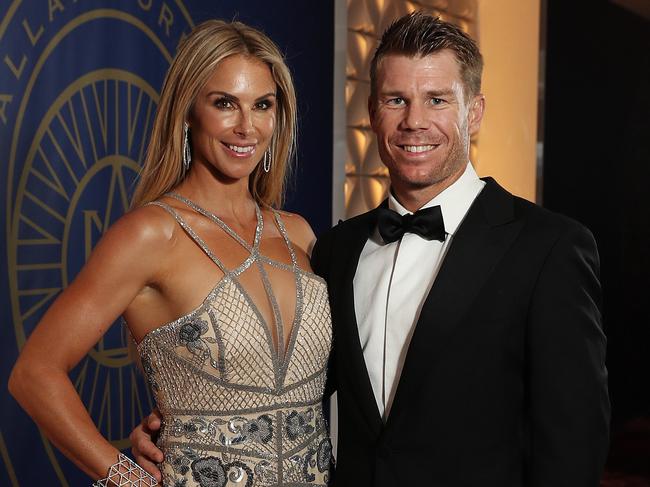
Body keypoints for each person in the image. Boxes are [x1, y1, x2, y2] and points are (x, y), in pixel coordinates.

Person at [131, 12, 610, 487]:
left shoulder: (550, 247)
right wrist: (178, 424)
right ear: (372, 112)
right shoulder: (335, 249)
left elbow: (572, 446)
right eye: (396, 100)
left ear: (475, 112)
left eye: (437, 100)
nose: (414, 122)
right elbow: (290, 380)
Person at [9, 20, 333, 486]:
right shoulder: (150, 234)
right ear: (188, 112)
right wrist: (128, 478)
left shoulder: (298, 234)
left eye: (262, 105)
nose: (246, 127)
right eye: (225, 103)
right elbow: (34, 373)